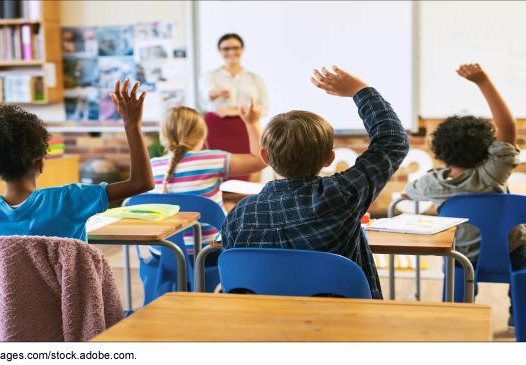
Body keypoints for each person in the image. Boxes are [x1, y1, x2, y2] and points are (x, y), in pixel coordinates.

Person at [220, 65, 410, 299]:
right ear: (330, 159)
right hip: (343, 325)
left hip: (264, 325)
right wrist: (360, 90)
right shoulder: (340, 196)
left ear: (265, 158)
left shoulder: (239, 215)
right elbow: (392, 141)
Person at [403, 63, 526, 329]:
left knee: (454, 261)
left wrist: (439, 205)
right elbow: (508, 127)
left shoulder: (432, 182)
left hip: (462, 258)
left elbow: (409, 192)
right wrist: (483, 81)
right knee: (525, 242)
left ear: (441, 150)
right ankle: (517, 312)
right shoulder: (492, 173)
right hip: (512, 254)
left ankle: (462, 310)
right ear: (488, 150)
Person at [0, 79, 155, 242]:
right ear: (40, 163)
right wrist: (131, 125)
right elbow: (142, 183)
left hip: (13, 293)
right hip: (67, 292)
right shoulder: (68, 200)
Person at [147, 98, 266, 257]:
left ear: (163, 136)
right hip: (207, 253)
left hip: (161, 253)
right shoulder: (211, 160)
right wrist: (252, 122)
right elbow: (261, 159)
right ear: (202, 135)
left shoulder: (150, 167)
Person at [199, 33, 269, 181]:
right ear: (219, 51)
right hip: (215, 128)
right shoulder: (210, 76)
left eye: (235, 47)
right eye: (226, 48)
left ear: (242, 49)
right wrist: (216, 92)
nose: (231, 52)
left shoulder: (255, 78)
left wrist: (233, 111)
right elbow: (207, 94)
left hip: (245, 128)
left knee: (244, 170)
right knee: (213, 170)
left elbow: (264, 108)